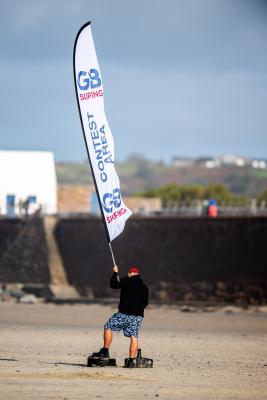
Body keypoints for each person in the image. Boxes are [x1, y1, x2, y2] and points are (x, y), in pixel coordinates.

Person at [92, 265, 149, 368]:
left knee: (108, 327)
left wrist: (115, 273)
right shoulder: (145, 287)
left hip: (124, 313)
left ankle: (105, 351)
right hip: (138, 316)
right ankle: (131, 361)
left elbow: (114, 285)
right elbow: (146, 303)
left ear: (130, 274)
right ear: (138, 275)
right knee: (134, 336)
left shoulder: (127, 280)